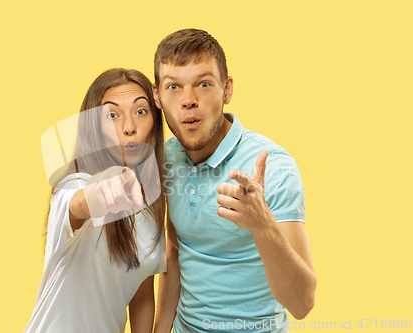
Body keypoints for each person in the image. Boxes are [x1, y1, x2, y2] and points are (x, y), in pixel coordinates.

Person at [152, 29, 317, 332]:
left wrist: (262, 224)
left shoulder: (272, 167)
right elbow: (174, 252)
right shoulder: (167, 157)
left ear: (227, 90)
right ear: (157, 96)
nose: (188, 100)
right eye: (173, 87)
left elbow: (302, 303)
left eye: (203, 84)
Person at [24, 68, 166, 333]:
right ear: (94, 128)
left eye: (140, 111)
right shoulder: (73, 184)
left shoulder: (152, 203)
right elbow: (80, 202)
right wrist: (104, 186)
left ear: (155, 122)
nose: (129, 127)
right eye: (112, 115)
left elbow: (141, 294)